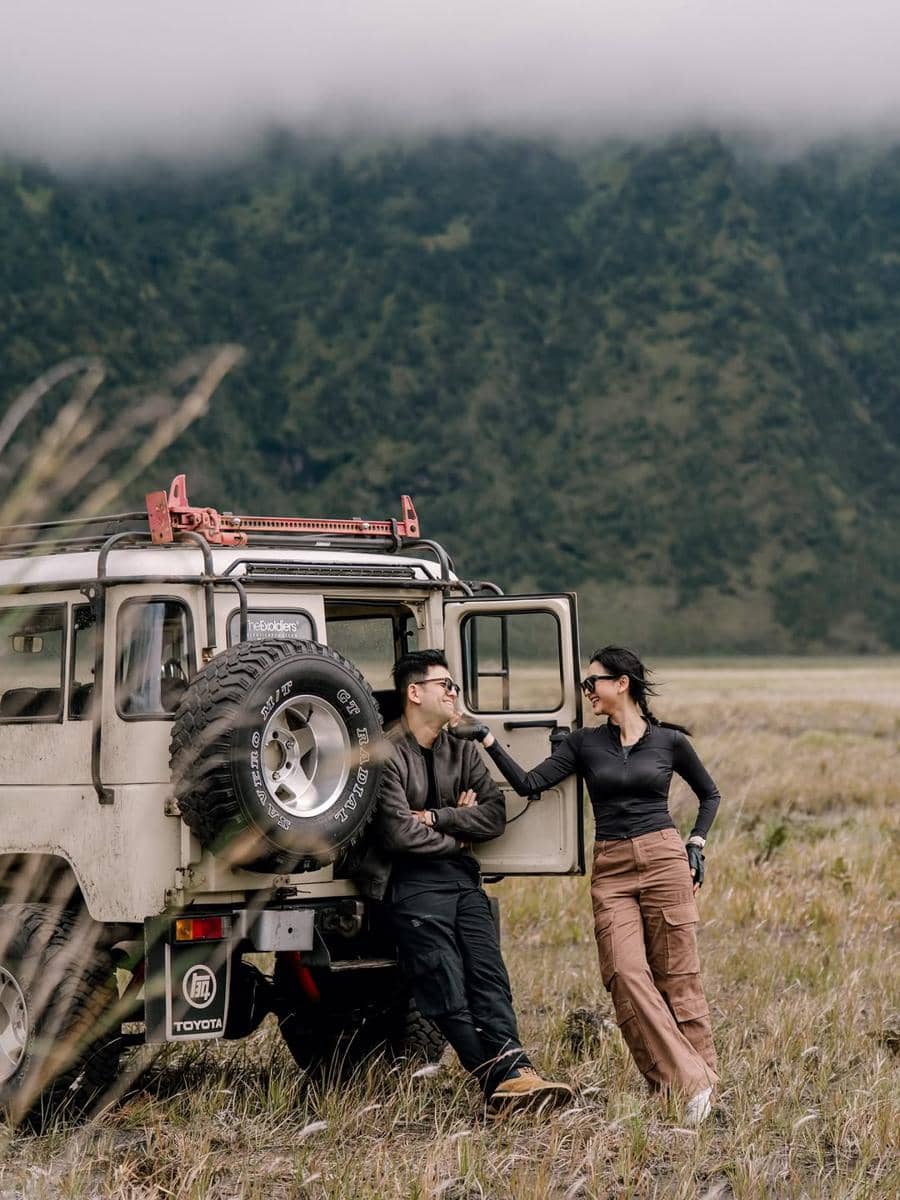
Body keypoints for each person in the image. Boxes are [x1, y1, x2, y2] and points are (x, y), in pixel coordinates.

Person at [451, 645, 720, 1125]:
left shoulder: (669, 742)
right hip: (612, 864)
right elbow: (531, 784)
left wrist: (696, 842)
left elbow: (709, 794)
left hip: (664, 857)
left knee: (678, 977)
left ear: (622, 684)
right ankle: (689, 1080)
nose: (586, 691)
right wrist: (488, 739)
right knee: (624, 973)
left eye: (591, 681)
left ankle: (690, 1093)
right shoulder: (583, 743)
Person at [355, 649, 572, 1113]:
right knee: (445, 987)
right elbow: (397, 834)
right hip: (412, 885)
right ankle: (501, 1078)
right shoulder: (386, 754)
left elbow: (494, 815)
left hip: (461, 881)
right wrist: (459, 833)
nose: (455, 693)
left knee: (490, 978)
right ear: (415, 693)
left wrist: (438, 817)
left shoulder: (462, 747)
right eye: (445, 685)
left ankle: (518, 1071)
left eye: (455, 686)